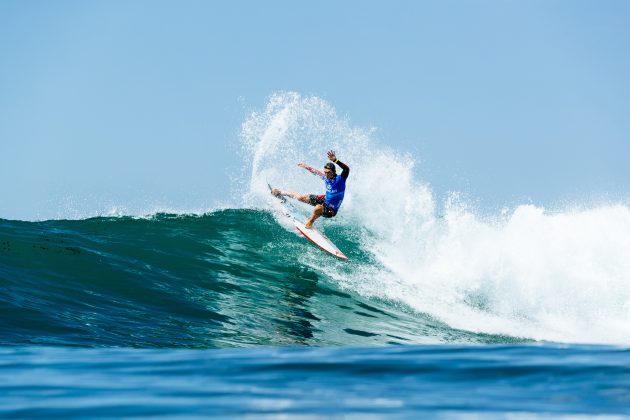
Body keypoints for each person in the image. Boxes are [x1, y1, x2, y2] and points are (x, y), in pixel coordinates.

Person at [271, 150, 350, 229]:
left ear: (333, 172)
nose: (326, 174)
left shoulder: (340, 179)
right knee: (300, 198)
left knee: (318, 208)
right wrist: (306, 167)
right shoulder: (326, 178)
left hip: (331, 210)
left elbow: (346, 169)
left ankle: (311, 222)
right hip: (324, 200)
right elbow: (316, 172)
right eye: (325, 172)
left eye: (328, 172)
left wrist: (335, 160)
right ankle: (280, 192)